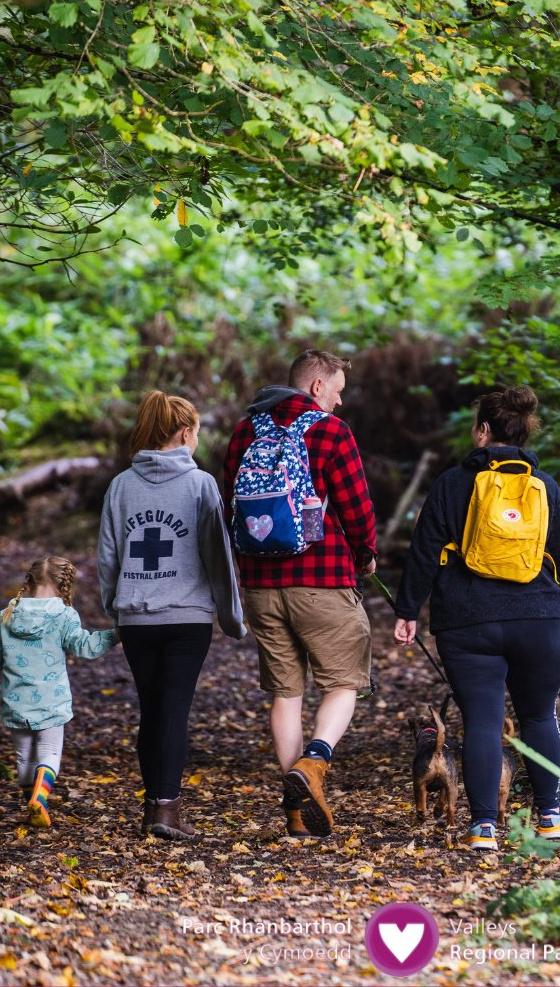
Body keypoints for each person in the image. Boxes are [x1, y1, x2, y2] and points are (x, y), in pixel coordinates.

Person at [392, 385, 560, 851]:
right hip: (538, 617)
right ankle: (549, 815)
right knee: (540, 716)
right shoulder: (544, 487)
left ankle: (483, 827)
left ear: (483, 430)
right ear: (525, 432)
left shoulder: (450, 483)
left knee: (482, 721)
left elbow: (424, 551)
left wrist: (408, 611)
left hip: (466, 622)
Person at [220, 350, 377, 840]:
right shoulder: (331, 432)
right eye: (337, 390)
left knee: (286, 693)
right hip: (323, 578)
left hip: (262, 585)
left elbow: (232, 499)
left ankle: (293, 812)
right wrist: (366, 552)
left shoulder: (247, 431)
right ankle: (312, 766)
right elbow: (354, 504)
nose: (340, 400)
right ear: (315, 387)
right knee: (344, 681)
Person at [97, 390, 245, 841]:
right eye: (196, 432)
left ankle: (152, 807)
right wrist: (231, 615)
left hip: (136, 616)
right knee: (174, 710)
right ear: (185, 432)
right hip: (186, 617)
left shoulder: (121, 485)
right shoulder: (200, 484)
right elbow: (218, 556)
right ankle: (166, 811)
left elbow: (108, 557)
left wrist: (115, 607)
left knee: (152, 709)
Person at [0, 556, 119, 829]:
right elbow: (85, 647)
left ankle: (31, 800)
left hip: (15, 700)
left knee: (24, 757)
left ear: (29, 581)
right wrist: (117, 634)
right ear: (63, 585)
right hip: (51, 701)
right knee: (49, 752)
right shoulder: (63, 615)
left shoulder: (8, 613)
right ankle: (40, 799)